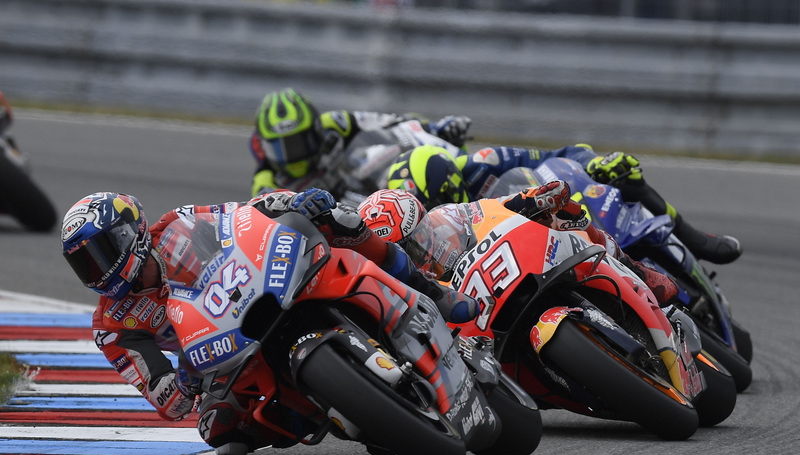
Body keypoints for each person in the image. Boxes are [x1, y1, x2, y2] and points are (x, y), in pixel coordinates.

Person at [60, 191, 476, 455]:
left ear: (130, 233)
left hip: (260, 287)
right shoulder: (112, 326)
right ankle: (331, 409)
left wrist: (294, 203)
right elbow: (167, 402)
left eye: (102, 252)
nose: (97, 270)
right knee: (219, 430)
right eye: (85, 264)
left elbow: (242, 217)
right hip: (221, 354)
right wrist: (185, 381)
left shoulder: (176, 224)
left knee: (338, 221)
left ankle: (430, 291)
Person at [386, 145, 742, 265]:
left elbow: (561, 154)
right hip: (521, 255)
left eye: (439, 203)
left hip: (553, 212)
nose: (438, 216)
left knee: (623, 175)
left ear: (450, 183)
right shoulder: (434, 239)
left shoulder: (484, 162)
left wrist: (593, 163)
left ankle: (693, 238)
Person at [359, 185, 680, 308]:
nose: (421, 249)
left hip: (507, 268)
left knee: (566, 218)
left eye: (419, 236)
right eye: (407, 249)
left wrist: (530, 199)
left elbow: (490, 208)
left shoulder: (448, 218)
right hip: (468, 313)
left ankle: (633, 269)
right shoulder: (397, 290)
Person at [249, 87, 471, 197]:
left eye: (298, 142)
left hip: (364, 184)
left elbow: (391, 121)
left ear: (315, 129)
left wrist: (433, 129)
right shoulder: (266, 182)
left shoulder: (334, 123)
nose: (291, 155)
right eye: (279, 148)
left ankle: (459, 163)